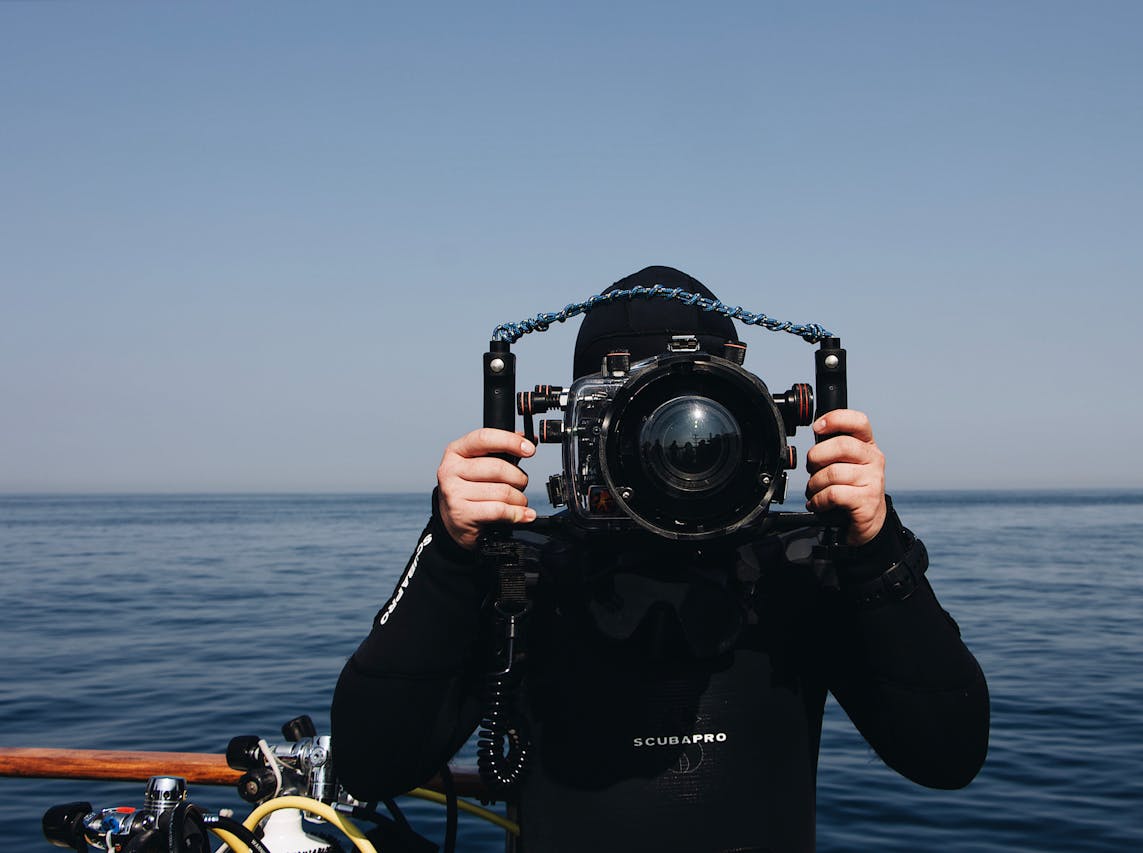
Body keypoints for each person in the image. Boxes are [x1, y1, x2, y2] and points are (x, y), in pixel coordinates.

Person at [331, 266, 989, 852]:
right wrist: (449, 548)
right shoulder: (522, 572)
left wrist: (876, 547)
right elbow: (370, 760)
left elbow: (949, 750)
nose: (677, 455)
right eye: (638, 417)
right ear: (581, 426)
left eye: (704, 425)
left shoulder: (802, 565)